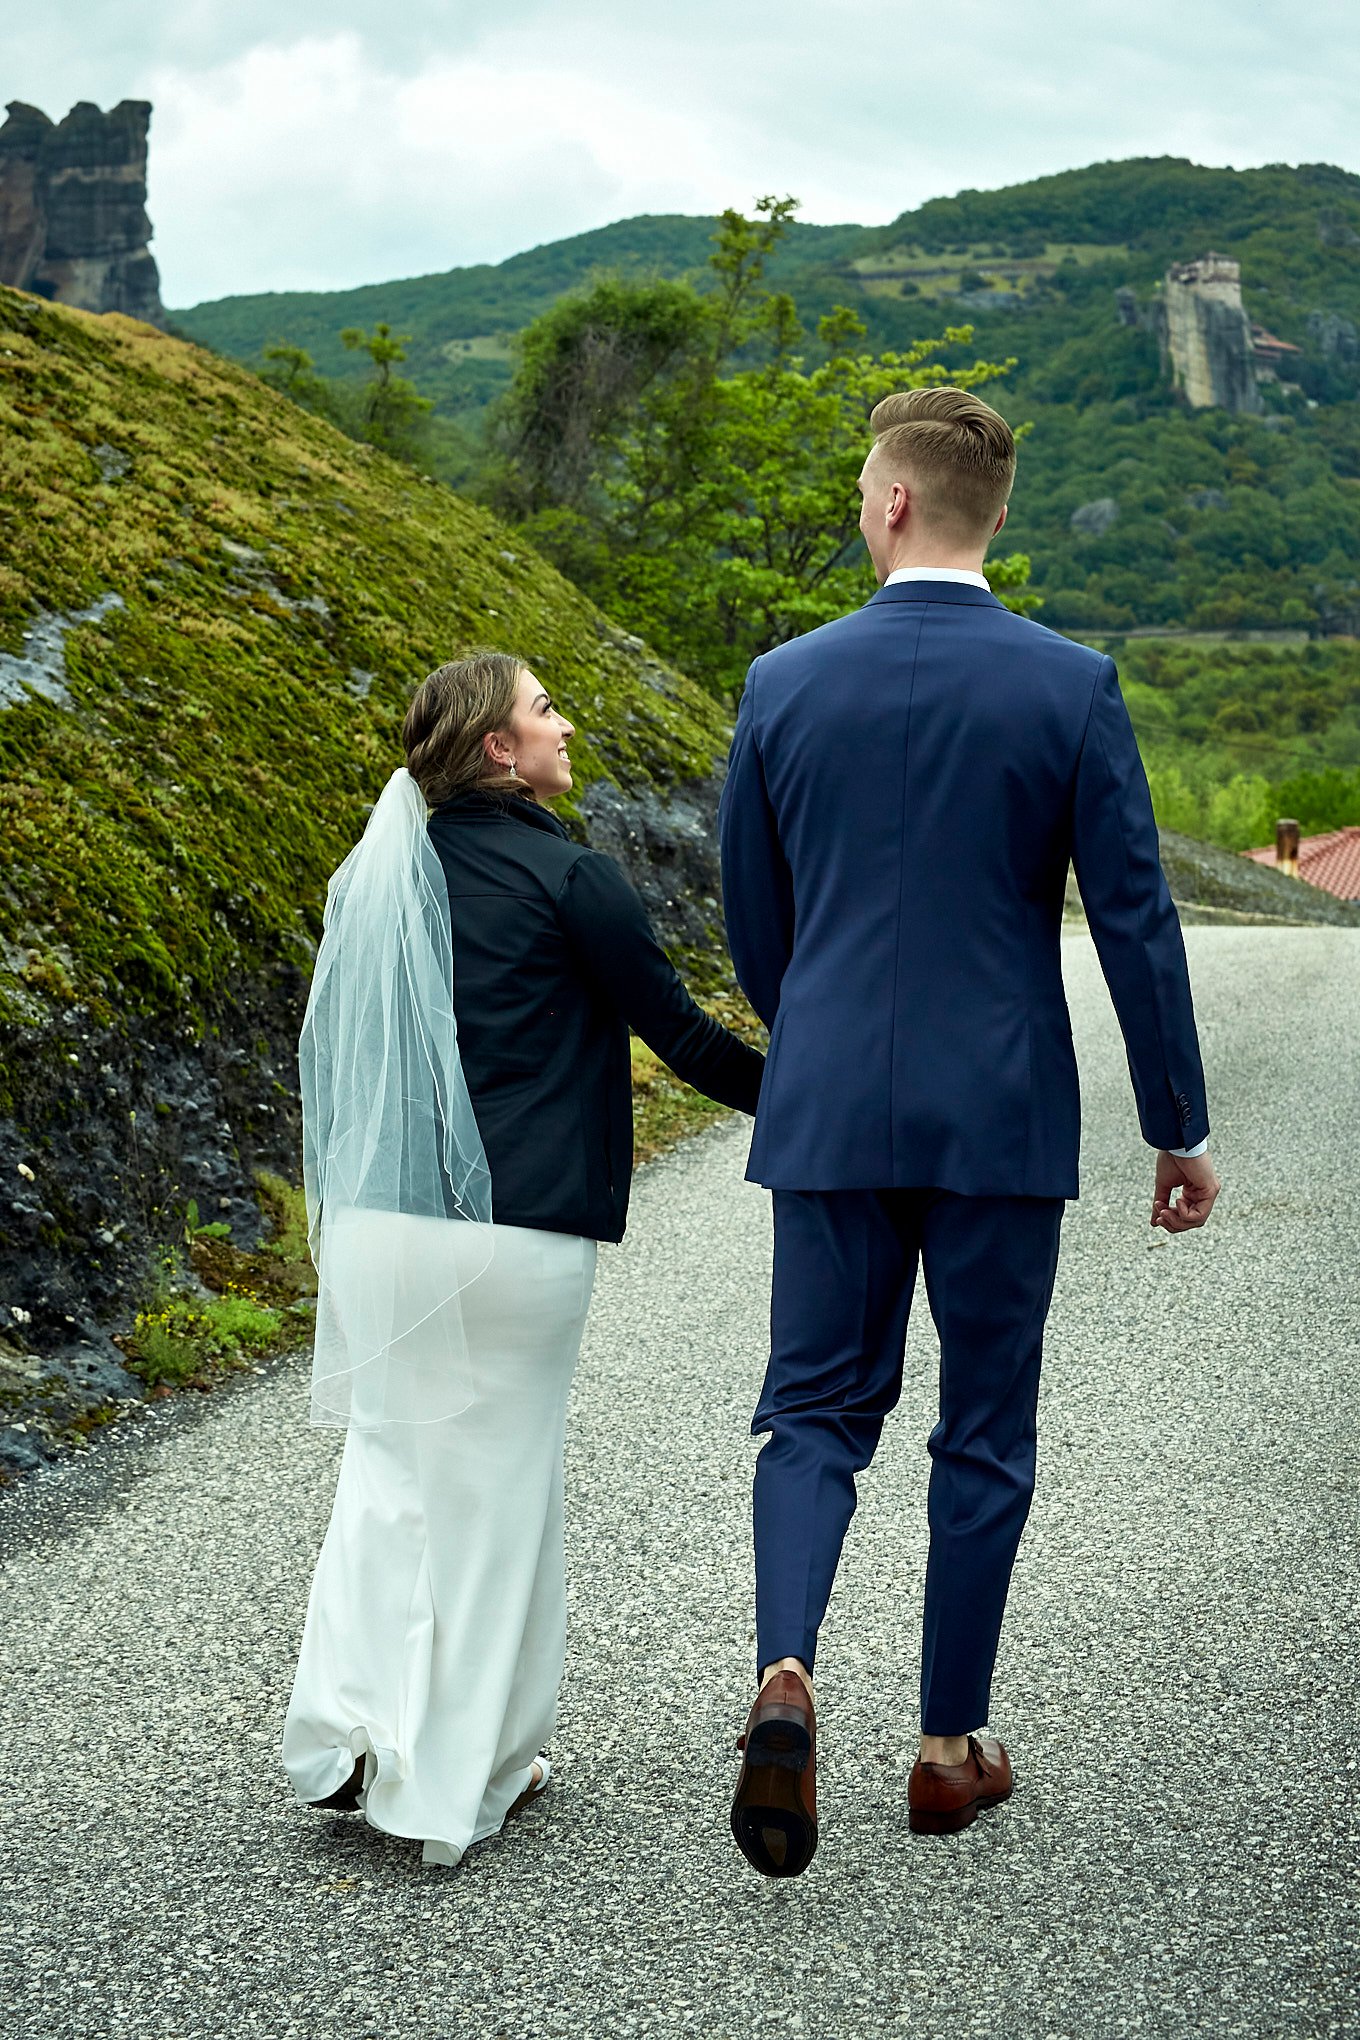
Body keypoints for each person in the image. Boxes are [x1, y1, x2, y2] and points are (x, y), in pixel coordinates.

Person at [719, 385, 1220, 1878]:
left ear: (889, 506)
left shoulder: (783, 681)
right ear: (988, 518)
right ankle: (947, 1749)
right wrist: (1176, 1125)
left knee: (812, 1411)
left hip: (826, 1111)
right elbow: (1135, 918)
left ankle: (787, 1672)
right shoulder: (1070, 685)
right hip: (1003, 1112)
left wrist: (812, 1036)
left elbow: (758, 923)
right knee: (983, 1427)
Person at [282, 650, 763, 1867]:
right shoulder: (570, 875)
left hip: (382, 1228)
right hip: (514, 1233)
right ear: (500, 749)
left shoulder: (382, 878)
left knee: (389, 1476)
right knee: (496, 1500)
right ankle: (456, 1783)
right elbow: (688, 1039)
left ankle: (346, 1729)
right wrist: (827, 1101)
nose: (563, 723)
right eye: (544, 708)